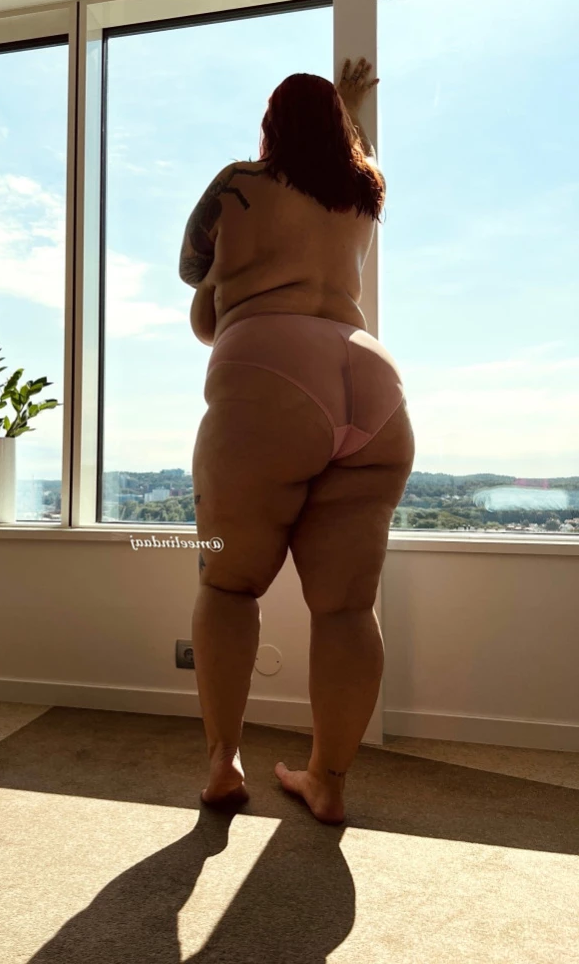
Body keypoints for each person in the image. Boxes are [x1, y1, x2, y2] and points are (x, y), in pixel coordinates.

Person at [179, 58, 415, 825]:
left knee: (228, 585)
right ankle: (327, 780)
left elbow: (191, 272)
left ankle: (223, 762)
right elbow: (349, 154)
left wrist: (221, 283)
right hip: (369, 378)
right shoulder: (362, 194)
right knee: (346, 608)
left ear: (268, 128)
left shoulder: (236, 184)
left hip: (268, 375)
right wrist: (349, 106)